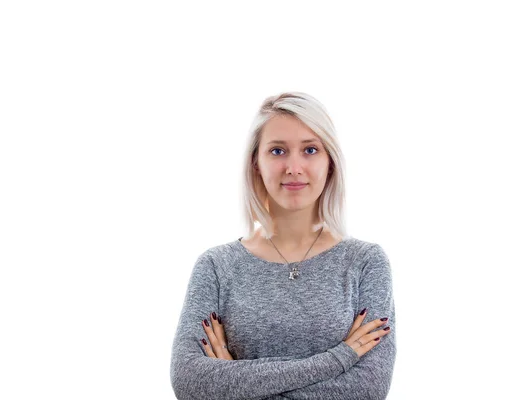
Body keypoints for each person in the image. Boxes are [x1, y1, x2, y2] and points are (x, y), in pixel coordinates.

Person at [170, 92, 396, 399]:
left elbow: (368, 388)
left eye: (310, 150)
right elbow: (189, 381)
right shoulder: (216, 267)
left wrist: (236, 382)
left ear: (329, 162)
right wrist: (340, 357)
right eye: (277, 151)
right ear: (256, 164)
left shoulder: (365, 262)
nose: (293, 167)